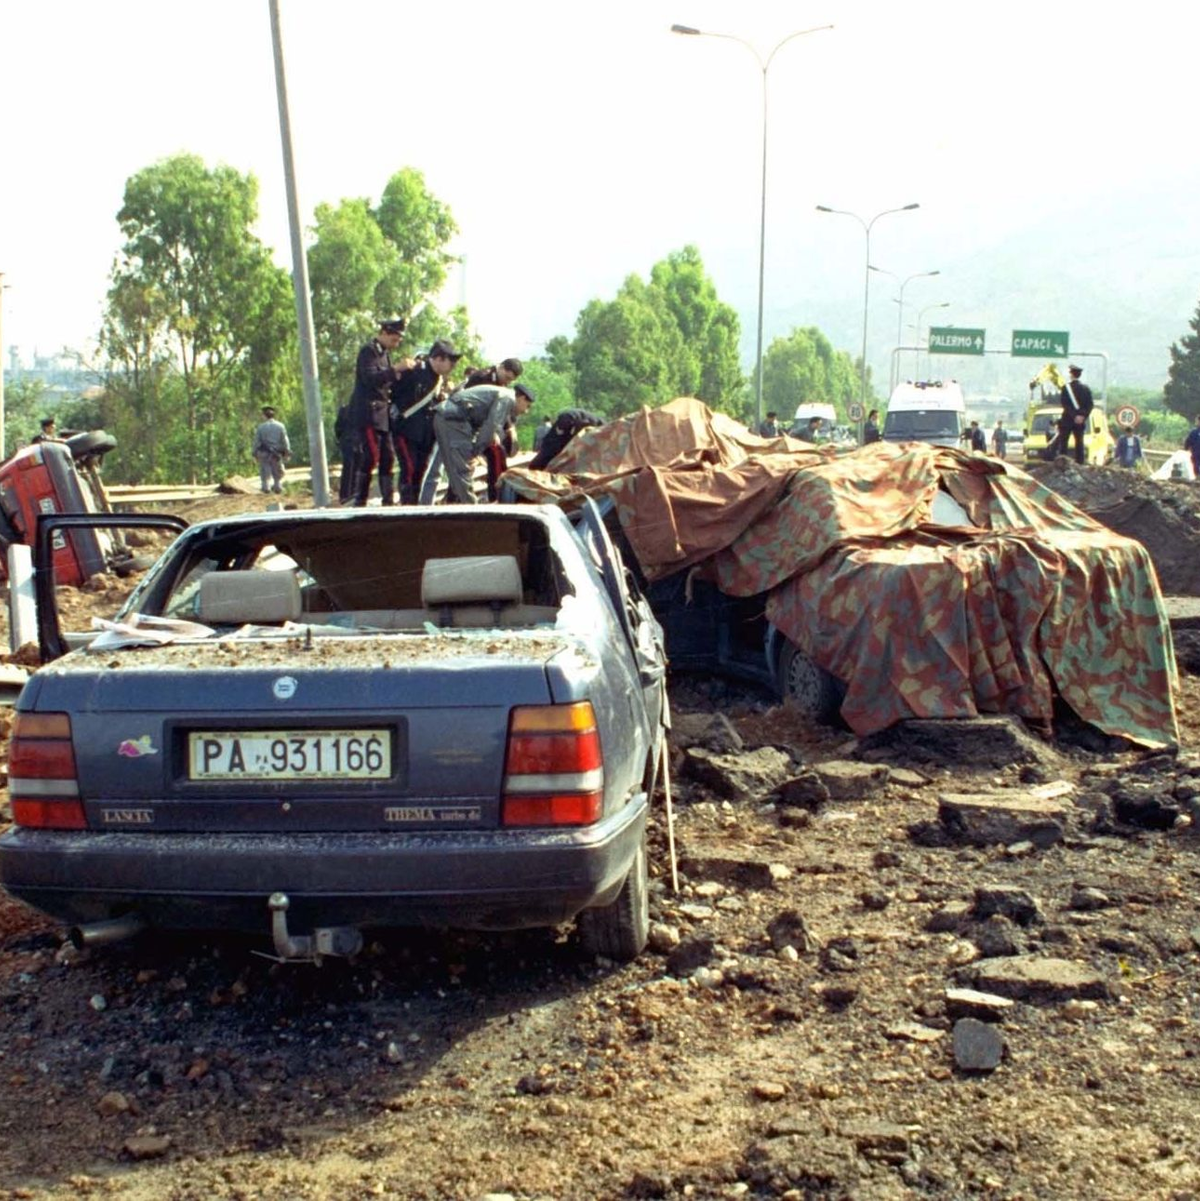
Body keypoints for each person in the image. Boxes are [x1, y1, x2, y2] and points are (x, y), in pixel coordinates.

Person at [433, 382, 534, 504]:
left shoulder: (503, 394)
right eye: (527, 406)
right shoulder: (508, 398)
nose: (526, 411)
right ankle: (472, 511)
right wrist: (476, 453)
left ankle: (459, 505)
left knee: (457, 471)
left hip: (450, 418)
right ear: (522, 398)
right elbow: (491, 427)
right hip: (454, 420)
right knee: (463, 470)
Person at [392, 339, 461, 505]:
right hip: (406, 430)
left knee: (420, 472)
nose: (452, 368)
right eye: (450, 363)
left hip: (426, 434)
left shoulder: (438, 379)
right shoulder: (415, 370)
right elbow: (394, 393)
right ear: (438, 358)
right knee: (408, 469)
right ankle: (406, 506)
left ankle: (414, 506)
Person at [348, 318, 408, 506]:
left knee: (387, 457)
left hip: (383, 415)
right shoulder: (369, 351)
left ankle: (388, 499)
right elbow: (370, 378)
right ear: (384, 333)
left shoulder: (384, 354)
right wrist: (395, 369)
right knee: (371, 455)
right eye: (394, 339)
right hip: (369, 413)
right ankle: (360, 499)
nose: (396, 343)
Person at [458, 360, 524, 501]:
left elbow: (501, 409)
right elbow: (470, 405)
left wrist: (509, 427)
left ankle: (498, 495)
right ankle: (457, 497)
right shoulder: (481, 378)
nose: (507, 382)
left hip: (485, 427)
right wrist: (489, 431)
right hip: (469, 425)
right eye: (506, 377)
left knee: (498, 454)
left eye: (510, 380)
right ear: (501, 368)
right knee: (469, 461)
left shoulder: (502, 384)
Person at [528, 408, 605, 471]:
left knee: (553, 448)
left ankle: (536, 466)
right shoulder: (601, 426)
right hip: (576, 421)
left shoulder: (565, 420)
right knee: (555, 447)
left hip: (571, 419)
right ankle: (537, 466)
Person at [1058, 364, 1094, 465]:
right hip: (1080, 421)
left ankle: (1063, 462)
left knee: (1064, 442)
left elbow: (1065, 404)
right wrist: (1082, 416)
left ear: (1071, 374)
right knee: (1079, 442)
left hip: (1067, 420)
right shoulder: (1086, 389)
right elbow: (1090, 405)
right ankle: (1080, 463)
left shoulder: (1066, 388)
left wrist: (1074, 416)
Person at [252, 405, 291, 494]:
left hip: (264, 453)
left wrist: (254, 453)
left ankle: (266, 487)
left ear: (264, 416)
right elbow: (285, 440)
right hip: (276, 454)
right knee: (277, 470)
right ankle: (277, 486)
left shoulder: (260, 427)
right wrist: (287, 452)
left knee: (265, 470)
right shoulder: (280, 426)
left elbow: (256, 441)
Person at [334, 401, 356, 504]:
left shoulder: (344, 409)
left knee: (348, 468)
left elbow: (338, 428)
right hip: (355, 442)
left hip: (347, 442)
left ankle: (345, 494)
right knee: (355, 468)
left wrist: (341, 439)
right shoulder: (360, 409)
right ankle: (352, 492)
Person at [1184, 415, 1200, 479]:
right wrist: (1186, 448)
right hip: (1196, 455)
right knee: (1196, 467)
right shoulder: (1194, 432)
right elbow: (1188, 442)